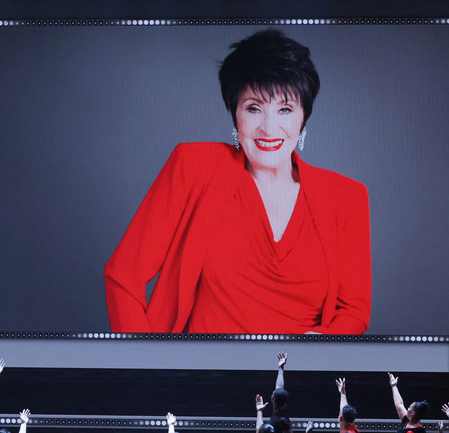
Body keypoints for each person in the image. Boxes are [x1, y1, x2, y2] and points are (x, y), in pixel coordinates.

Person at [104, 28, 371, 335]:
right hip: (204, 377)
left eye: (285, 109)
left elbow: (354, 310)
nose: (269, 128)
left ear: (303, 118)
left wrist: (322, 344)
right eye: (254, 108)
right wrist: (146, 366)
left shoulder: (345, 196)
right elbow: (123, 275)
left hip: (295, 379)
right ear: (234, 114)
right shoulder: (194, 167)